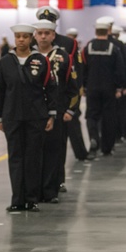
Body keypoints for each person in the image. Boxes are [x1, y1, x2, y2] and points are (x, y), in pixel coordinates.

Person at [0, 24, 56, 211]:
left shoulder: (41, 61)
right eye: (18, 36)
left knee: (33, 157)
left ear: (32, 38)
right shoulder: (5, 62)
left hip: (36, 116)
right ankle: (17, 200)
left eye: (25, 37)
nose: (21, 40)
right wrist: (0, 117)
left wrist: (51, 114)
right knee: (15, 157)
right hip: (12, 117)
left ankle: (31, 199)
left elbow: (50, 88)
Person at [34, 19, 78, 203]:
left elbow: (72, 86)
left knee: (54, 151)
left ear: (53, 35)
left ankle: (51, 190)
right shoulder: (28, 56)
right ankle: (33, 191)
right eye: (40, 33)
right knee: (34, 153)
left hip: (58, 111)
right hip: (33, 112)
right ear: (35, 35)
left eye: (47, 33)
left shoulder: (63, 56)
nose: (43, 36)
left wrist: (70, 109)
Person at [80, 18, 126, 156]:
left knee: (91, 115)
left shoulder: (88, 47)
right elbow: (119, 70)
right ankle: (107, 147)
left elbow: (83, 68)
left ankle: (94, 138)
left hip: (92, 88)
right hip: (109, 89)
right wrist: (119, 88)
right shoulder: (114, 48)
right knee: (109, 117)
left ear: (96, 31)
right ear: (108, 31)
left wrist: (83, 85)